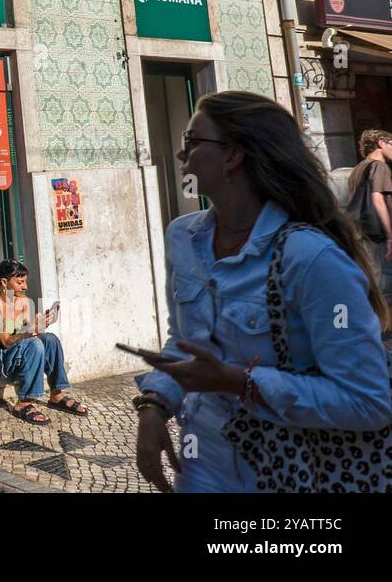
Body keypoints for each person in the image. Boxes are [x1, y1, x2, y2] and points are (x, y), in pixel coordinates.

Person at [134, 91, 392, 493]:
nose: (182, 155)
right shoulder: (183, 236)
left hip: (286, 476)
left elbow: (368, 402)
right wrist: (154, 403)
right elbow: (189, 341)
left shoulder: (310, 257)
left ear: (233, 156)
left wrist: (242, 383)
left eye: (192, 141)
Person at [0, 260, 85, 424]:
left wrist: (40, 324)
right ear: (4, 282)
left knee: (50, 339)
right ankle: (24, 403)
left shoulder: (24, 302)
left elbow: (29, 337)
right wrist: (29, 331)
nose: (25, 287)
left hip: (14, 360)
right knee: (34, 344)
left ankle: (56, 394)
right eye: (20, 282)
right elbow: (7, 342)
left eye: (25, 282)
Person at [346, 129, 392, 307]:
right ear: (382, 143)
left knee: (373, 279)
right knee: (386, 282)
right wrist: (390, 237)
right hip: (378, 234)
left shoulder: (358, 168)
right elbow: (377, 199)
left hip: (362, 233)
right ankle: (386, 328)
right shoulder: (379, 166)